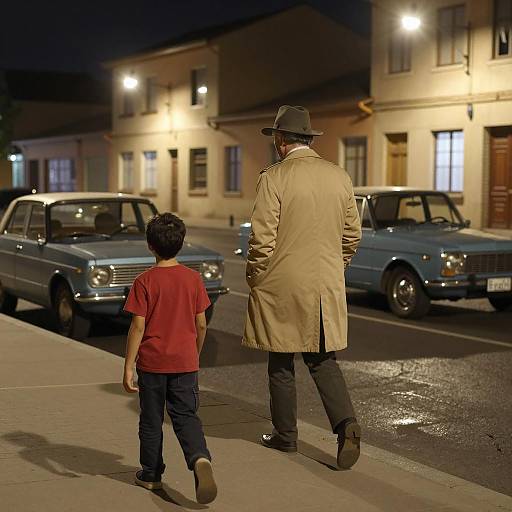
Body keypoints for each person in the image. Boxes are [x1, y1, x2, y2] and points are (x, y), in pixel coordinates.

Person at [242, 105, 362, 469]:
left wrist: (255, 276)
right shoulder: (339, 176)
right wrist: (333, 268)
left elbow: (262, 239)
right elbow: (352, 235)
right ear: (308, 138)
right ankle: (348, 427)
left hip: (282, 283)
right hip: (325, 283)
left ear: (280, 141)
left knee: (280, 360)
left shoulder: (274, 178)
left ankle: (286, 436)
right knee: (323, 359)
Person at [123, 213, 217, 504]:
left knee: (151, 421)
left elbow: (138, 327)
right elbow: (201, 324)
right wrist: (194, 353)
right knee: (186, 416)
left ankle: (151, 475)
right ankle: (200, 459)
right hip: (185, 362)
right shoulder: (193, 279)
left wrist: (128, 366)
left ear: (150, 246)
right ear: (181, 243)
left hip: (152, 364)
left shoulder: (144, 281)